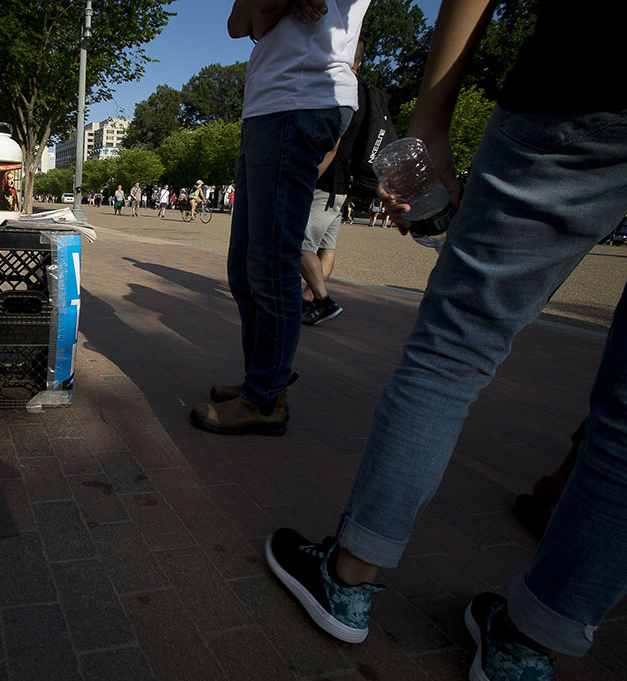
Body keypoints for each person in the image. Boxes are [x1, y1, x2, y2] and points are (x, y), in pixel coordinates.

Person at [265, 2, 627, 681]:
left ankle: (350, 575)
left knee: (452, 353)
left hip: (590, 76)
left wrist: (430, 118)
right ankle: (530, 641)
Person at [189, 0, 366, 436]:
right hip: (268, 105)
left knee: (271, 264)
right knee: (246, 268)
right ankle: (262, 382)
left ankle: (265, 399)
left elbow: (260, 15)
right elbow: (240, 23)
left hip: (302, 97)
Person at [300, 38, 371, 327]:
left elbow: (332, 144)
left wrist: (308, 177)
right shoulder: (370, 94)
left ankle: (322, 300)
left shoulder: (342, 91)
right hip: (346, 185)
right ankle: (307, 302)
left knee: (297, 243)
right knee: (326, 248)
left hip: (326, 183)